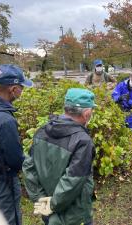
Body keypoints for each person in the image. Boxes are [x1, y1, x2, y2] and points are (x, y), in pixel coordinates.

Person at [23, 88, 96, 225]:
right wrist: (53, 204)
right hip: (74, 213)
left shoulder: (42, 130)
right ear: (86, 114)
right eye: (92, 110)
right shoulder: (83, 141)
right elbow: (73, 181)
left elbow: (28, 167)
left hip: (48, 209)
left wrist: (41, 199)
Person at [0, 64, 33, 225]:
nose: (23, 90)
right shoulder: (4, 120)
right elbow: (15, 160)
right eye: (21, 87)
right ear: (13, 89)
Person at [112, 71, 132, 157]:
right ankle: (121, 154)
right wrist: (119, 98)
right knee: (120, 134)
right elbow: (114, 95)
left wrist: (128, 101)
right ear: (130, 77)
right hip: (121, 112)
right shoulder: (121, 85)